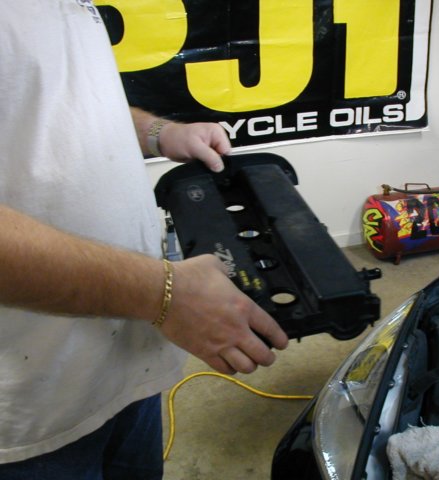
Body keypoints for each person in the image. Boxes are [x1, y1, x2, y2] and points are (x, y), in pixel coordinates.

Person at [0, 1, 288, 478]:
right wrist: (164, 294)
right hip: (27, 409)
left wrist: (159, 132)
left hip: (125, 357)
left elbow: (51, 102)